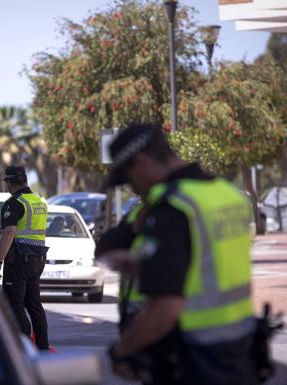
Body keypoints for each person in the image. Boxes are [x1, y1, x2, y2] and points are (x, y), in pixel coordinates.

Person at [99, 123, 257, 385]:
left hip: (194, 360)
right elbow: (206, 263)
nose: (133, 187)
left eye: (129, 178)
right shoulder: (226, 194)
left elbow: (167, 308)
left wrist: (121, 351)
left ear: (140, 162)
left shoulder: (173, 208)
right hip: (240, 352)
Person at [0, 165, 50, 350]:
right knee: (34, 304)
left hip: (18, 260)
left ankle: (24, 348)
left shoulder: (14, 203)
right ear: (24, 180)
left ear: (9, 182)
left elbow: (9, 232)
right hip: (37, 259)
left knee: (15, 302)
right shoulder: (39, 201)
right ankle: (42, 346)